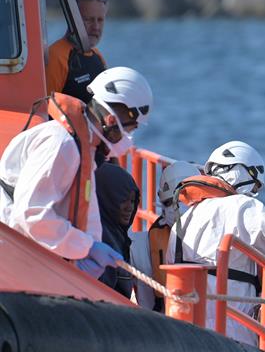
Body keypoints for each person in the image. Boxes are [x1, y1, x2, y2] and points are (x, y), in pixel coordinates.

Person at [165, 143, 265, 343]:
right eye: (254, 184)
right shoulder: (237, 206)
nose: (253, 192)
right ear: (240, 171)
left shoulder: (184, 220)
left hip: (186, 323)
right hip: (229, 326)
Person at [0, 67, 152, 279]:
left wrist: (89, 247)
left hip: (33, 249)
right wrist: (87, 247)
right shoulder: (62, 145)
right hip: (14, 249)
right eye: (129, 129)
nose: (129, 137)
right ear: (111, 120)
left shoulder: (84, 146)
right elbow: (31, 214)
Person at [130, 160, 201, 310]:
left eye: (184, 201)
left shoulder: (214, 243)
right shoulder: (137, 247)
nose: (178, 209)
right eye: (171, 202)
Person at [46, 0, 109, 103]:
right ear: (72, 18)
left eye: (100, 20)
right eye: (88, 20)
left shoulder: (97, 56)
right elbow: (42, 109)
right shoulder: (56, 56)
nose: (96, 27)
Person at [95, 162, 139, 297]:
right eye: (123, 200)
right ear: (107, 198)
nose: (129, 207)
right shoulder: (103, 238)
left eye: (132, 201)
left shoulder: (117, 234)